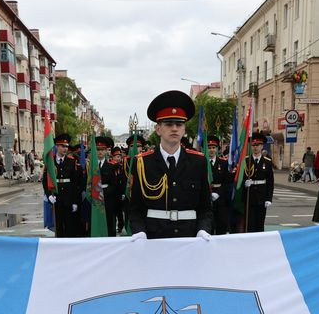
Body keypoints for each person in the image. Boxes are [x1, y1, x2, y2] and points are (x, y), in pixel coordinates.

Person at [129, 90, 213, 240]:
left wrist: (202, 230)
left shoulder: (198, 161)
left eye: (179, 124)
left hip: (189, 237)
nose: (174, 128)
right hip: (154, 237)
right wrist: (140, 231)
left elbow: (205, 207)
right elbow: (135, 207)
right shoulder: (142, 162)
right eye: (168, 124)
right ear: (158, 129)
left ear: (184, 129)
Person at [42, 133, 84, 237]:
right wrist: (49, 195)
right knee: (58, 226)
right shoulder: (50, 162)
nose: (65, 149)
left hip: (69, 198)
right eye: (62, 146)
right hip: (56, 197)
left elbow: (75, 183)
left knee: (70, 226)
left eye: (66, 146)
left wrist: (75, 201)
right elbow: (45, 181)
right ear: (57, 146)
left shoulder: (72, 161)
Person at [242, 132, 275, 232]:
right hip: (249, 196)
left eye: (258, 145)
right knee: (249, 223)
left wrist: (269, 198)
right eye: (253, 145)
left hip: (261, 196)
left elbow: (270, 182)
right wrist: (245, 183)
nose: (255, 147)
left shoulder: (267, 161)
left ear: (262, 146)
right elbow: (240, 178)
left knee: (260, 223)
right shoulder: (246, 160)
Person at [95, 136, 122, 236]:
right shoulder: (91, 166)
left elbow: (114, 185)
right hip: (95, 198)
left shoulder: (111, 166)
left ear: (106, 151)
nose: (100, 152)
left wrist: (103, 193)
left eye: (102, 149)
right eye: (98, 149)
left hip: (108, 198)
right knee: (97, 223)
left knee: (109, 222)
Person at [206, 135, 232, 235]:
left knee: (221, 225)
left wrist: (218, 193)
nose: (211, 150)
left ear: (217, 149)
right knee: (208, 226)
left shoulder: (223, 163)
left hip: (220, 199)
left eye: (214, 147)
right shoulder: (202, 162)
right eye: (209, 147)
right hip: (206, 197)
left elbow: (227, 182)